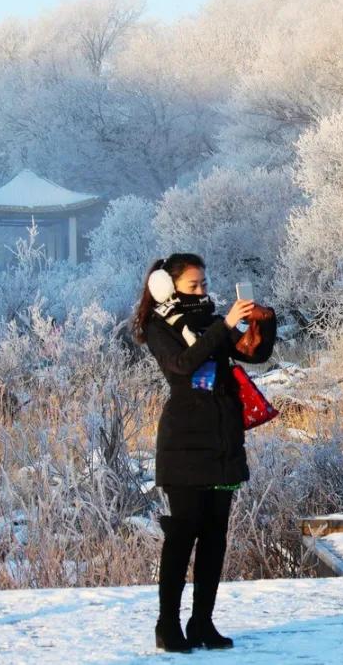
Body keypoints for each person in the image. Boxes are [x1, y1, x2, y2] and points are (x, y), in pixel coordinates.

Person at [131, 253, 277, 653]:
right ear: (168, 286)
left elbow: (254, 354)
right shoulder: (159, 326)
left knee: (215, 538)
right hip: (183, 445)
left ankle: (202, 623)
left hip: (223, 443)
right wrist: (226, 325)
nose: (202, 291)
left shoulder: (212, 321)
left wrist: (263, 321)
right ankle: (168, 626)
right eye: (193, 285)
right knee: (182, 536)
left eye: (204, 284)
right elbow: (181, 365)